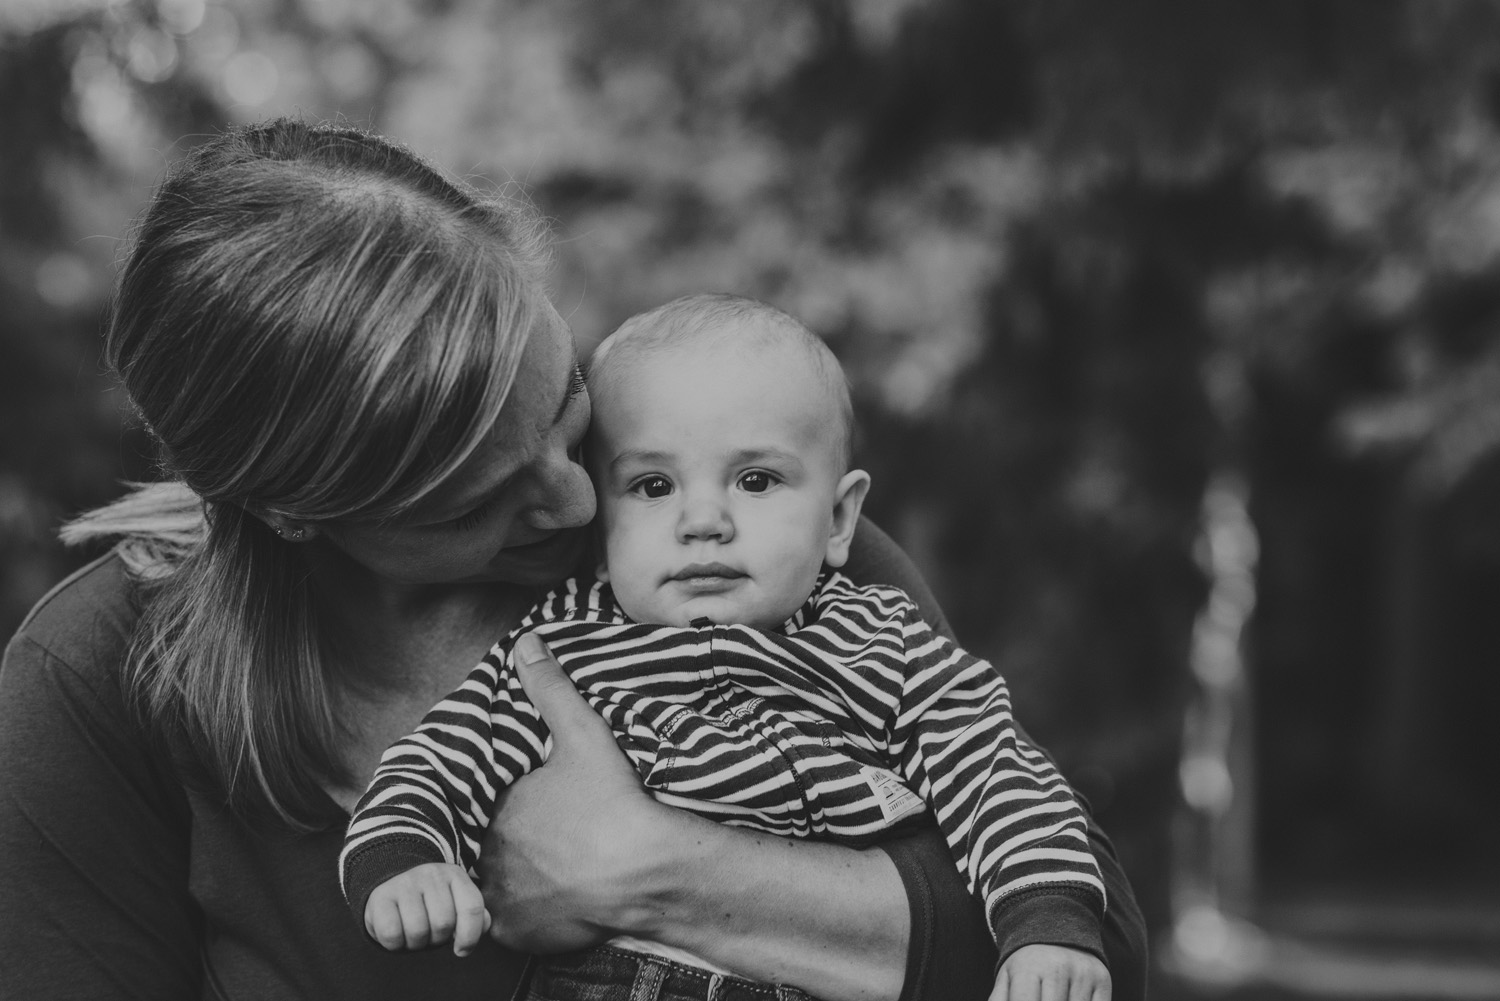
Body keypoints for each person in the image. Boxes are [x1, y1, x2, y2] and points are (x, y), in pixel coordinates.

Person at [0, 118, 1147, 1001]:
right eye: (475, 497)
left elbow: (1103, 940)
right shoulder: (96, 680)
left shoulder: (721, 537)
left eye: (564, 412)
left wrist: (652, 871)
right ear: (295, 511)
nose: (577, 494)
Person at [341, 293, 1114, 1001]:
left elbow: (995, 770)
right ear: (602, 527)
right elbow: (445, 755)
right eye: (652, 486)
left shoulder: (882, 643)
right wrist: (406, 858)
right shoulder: (562, 645)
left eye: (755, 480)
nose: (703, 519)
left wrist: (1045, 918)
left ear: (840, 520)